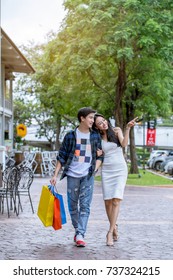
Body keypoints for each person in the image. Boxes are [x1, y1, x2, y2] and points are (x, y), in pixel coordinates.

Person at [50, 107, 104, 247]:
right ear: (82, 118)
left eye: (93, 118)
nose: (93, 120)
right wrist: (55, 175)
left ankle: (80, 234)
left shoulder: (95, 136)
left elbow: (100, 155)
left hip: (87, 176)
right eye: (91, 117)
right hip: (72, 176)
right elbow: (61, 156)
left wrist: (94, 170)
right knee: (73, 206)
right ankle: (77, 230)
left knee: (85, 206)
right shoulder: (70, 136)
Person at [93, 114, 137, 246]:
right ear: (96, 127)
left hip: (120, 169)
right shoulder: (97, 138)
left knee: (116, 200)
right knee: (107, 202)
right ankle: (115, 227)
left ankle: (110, 232)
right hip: (107, 171)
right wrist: (97, 154)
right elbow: (96, 153)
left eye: (104, 120)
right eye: (100, 123)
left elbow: (124, 144)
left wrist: (128, 128)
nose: (104, 123)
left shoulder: (116, 130)